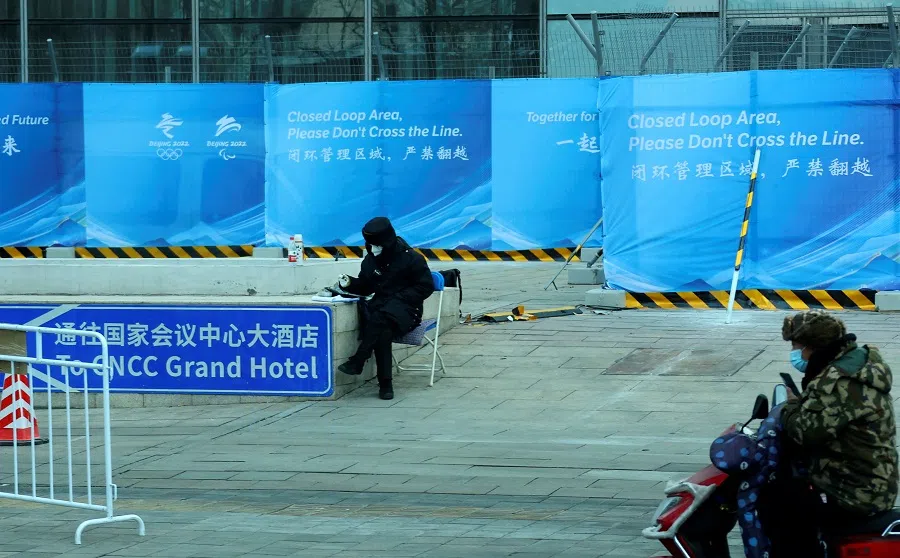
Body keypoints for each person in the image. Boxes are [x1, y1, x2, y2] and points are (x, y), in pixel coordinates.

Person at [757, 310, 899, 556]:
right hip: (868, 480)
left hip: (854, 493)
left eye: (797, 347)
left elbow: (804, 432)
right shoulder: (855, 363)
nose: (796, 354)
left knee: (777, 503)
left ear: (814, 346)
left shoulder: (839, 382)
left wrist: (790, 406)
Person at [336, 216, 435, 400]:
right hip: (381, 314)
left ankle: (360, 360)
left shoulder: (412, 259)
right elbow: (366, 287)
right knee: (382, 329)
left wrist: (399, 298)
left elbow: (425, 287)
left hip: (407, 311)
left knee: (381, 317)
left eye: (378, 245)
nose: (374, 249)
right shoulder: (370, 260)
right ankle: (384, 385)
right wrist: (349, 284)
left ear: (387, 242)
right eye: (371, 245)